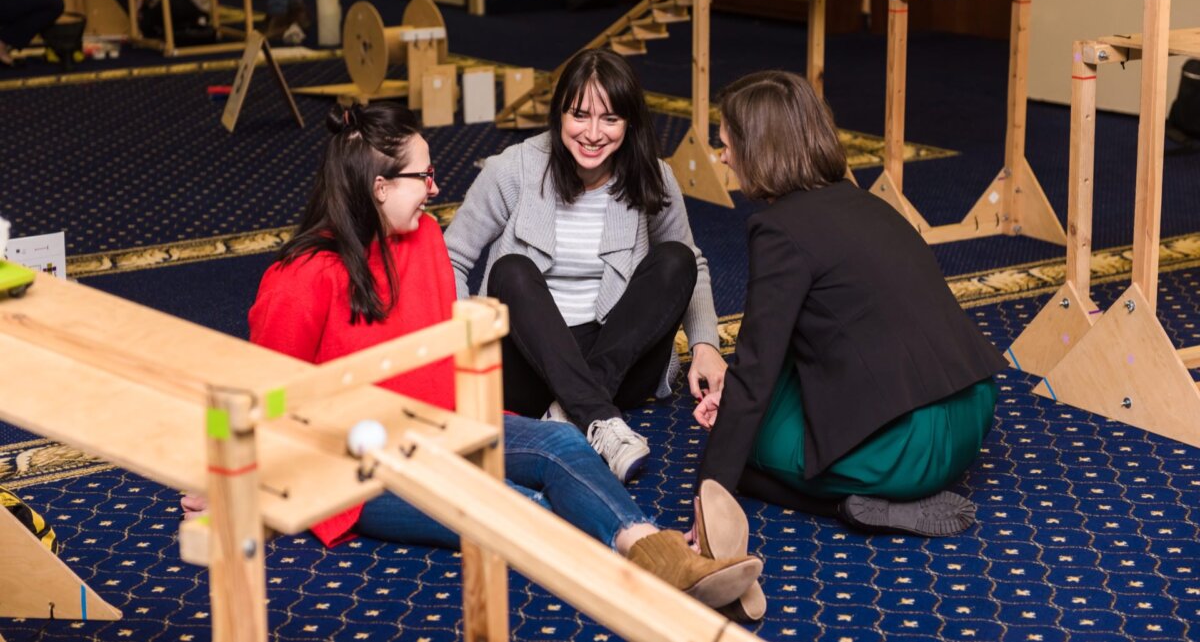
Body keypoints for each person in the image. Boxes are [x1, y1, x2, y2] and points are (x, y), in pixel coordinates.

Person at [184, 100, 763, 610]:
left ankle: (663, 555)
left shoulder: (425, 240)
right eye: (423, 176)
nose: (435, 188)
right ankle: (658, 584)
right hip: (356, 472)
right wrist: (224, 478)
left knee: (562, 442)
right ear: (379, 187)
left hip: (446, 429)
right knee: (517, 507)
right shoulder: (300, 279)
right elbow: (250, 393)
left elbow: (439, 357)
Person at [692, 70, 1004, 549]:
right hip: (971, 415)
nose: (724, 156)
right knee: (748, 411)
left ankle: (848, 505)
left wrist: (707, 494)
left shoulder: (777, 231)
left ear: (758, 148)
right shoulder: (870, 204)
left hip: (908, 453)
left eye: (727, 143)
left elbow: (756, 370)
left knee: (741, 448)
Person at [443, 49, 725, 483]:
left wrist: (705, 344)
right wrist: (466, 351)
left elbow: (694, 267)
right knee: (511, 270)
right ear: (559, 115)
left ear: (629, 123)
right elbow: (451, 258)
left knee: (677, 260)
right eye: (580, 115)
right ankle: (596, 417)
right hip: (527, 361)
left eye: (610, 119)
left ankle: (572, 411)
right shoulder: (514, 168)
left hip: (617, 362)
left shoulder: (652, 175)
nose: (593, 134)